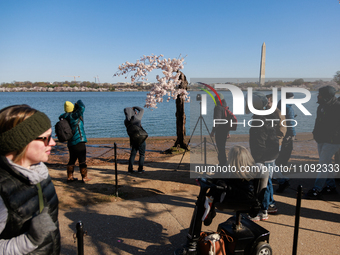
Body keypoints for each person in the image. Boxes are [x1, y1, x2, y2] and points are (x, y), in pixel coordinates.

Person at [0, 104, 60, 254]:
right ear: (21, 142)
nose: (53, 143)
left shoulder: (40, 172)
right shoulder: (2, 191)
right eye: (46, 138)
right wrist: (30, 240)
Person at [248, 92, 279, 219]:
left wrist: (258, 158)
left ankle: (263, 210)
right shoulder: (266, 115)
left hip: (264, 154)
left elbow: (260, 139)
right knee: (268, 181)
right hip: (270, 152)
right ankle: (269, 205)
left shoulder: (260, 118)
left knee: (263, 182)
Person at [305, 85, 340, 199]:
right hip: (321, 139)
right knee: (326, 163)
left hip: (332, 141)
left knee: (323, 164)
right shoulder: (321, 106)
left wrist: (333, 136)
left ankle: (317, 189)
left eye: (319, 94)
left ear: (326, 96)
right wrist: (315, 133)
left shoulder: (337, 107)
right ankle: (331, 186)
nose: (318, 96)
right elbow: (318, 121)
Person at [59, 100, 90, 182]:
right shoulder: (75, 115)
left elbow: (61, 116)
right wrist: (79, 102)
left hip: (70, 142)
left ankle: (70, 177)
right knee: (82, 160)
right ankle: (84, 177)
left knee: (72, 159)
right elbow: (82, 108)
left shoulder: (64, 117)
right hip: (79, 140)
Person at [275, 92, 296, 192]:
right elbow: (291, 122)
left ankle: (277, 174)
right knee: (286, 154)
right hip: (287, 134)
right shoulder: (289, 108)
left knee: (279, 154)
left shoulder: (278, 105)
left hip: (278, 134)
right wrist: (293, 134)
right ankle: (281, 175)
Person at [210, 93, 231, 166]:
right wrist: (228, 132)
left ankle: (222, 164)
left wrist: (213, 131)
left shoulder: (218, 108)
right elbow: (228, 120)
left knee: (220, 148)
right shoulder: (225, 107)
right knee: (222, 148)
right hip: (225, 131)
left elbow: (217, 120)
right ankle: (223, 163)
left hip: (220, 131)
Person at [124, 106, 146, 173]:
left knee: (133, 154)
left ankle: (130, 169)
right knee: (142, 154)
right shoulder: (137, 118)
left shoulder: (126, 121)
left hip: (133, 139)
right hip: (140, 138)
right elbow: (142, 110)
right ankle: (140, 169)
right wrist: (135, 107)